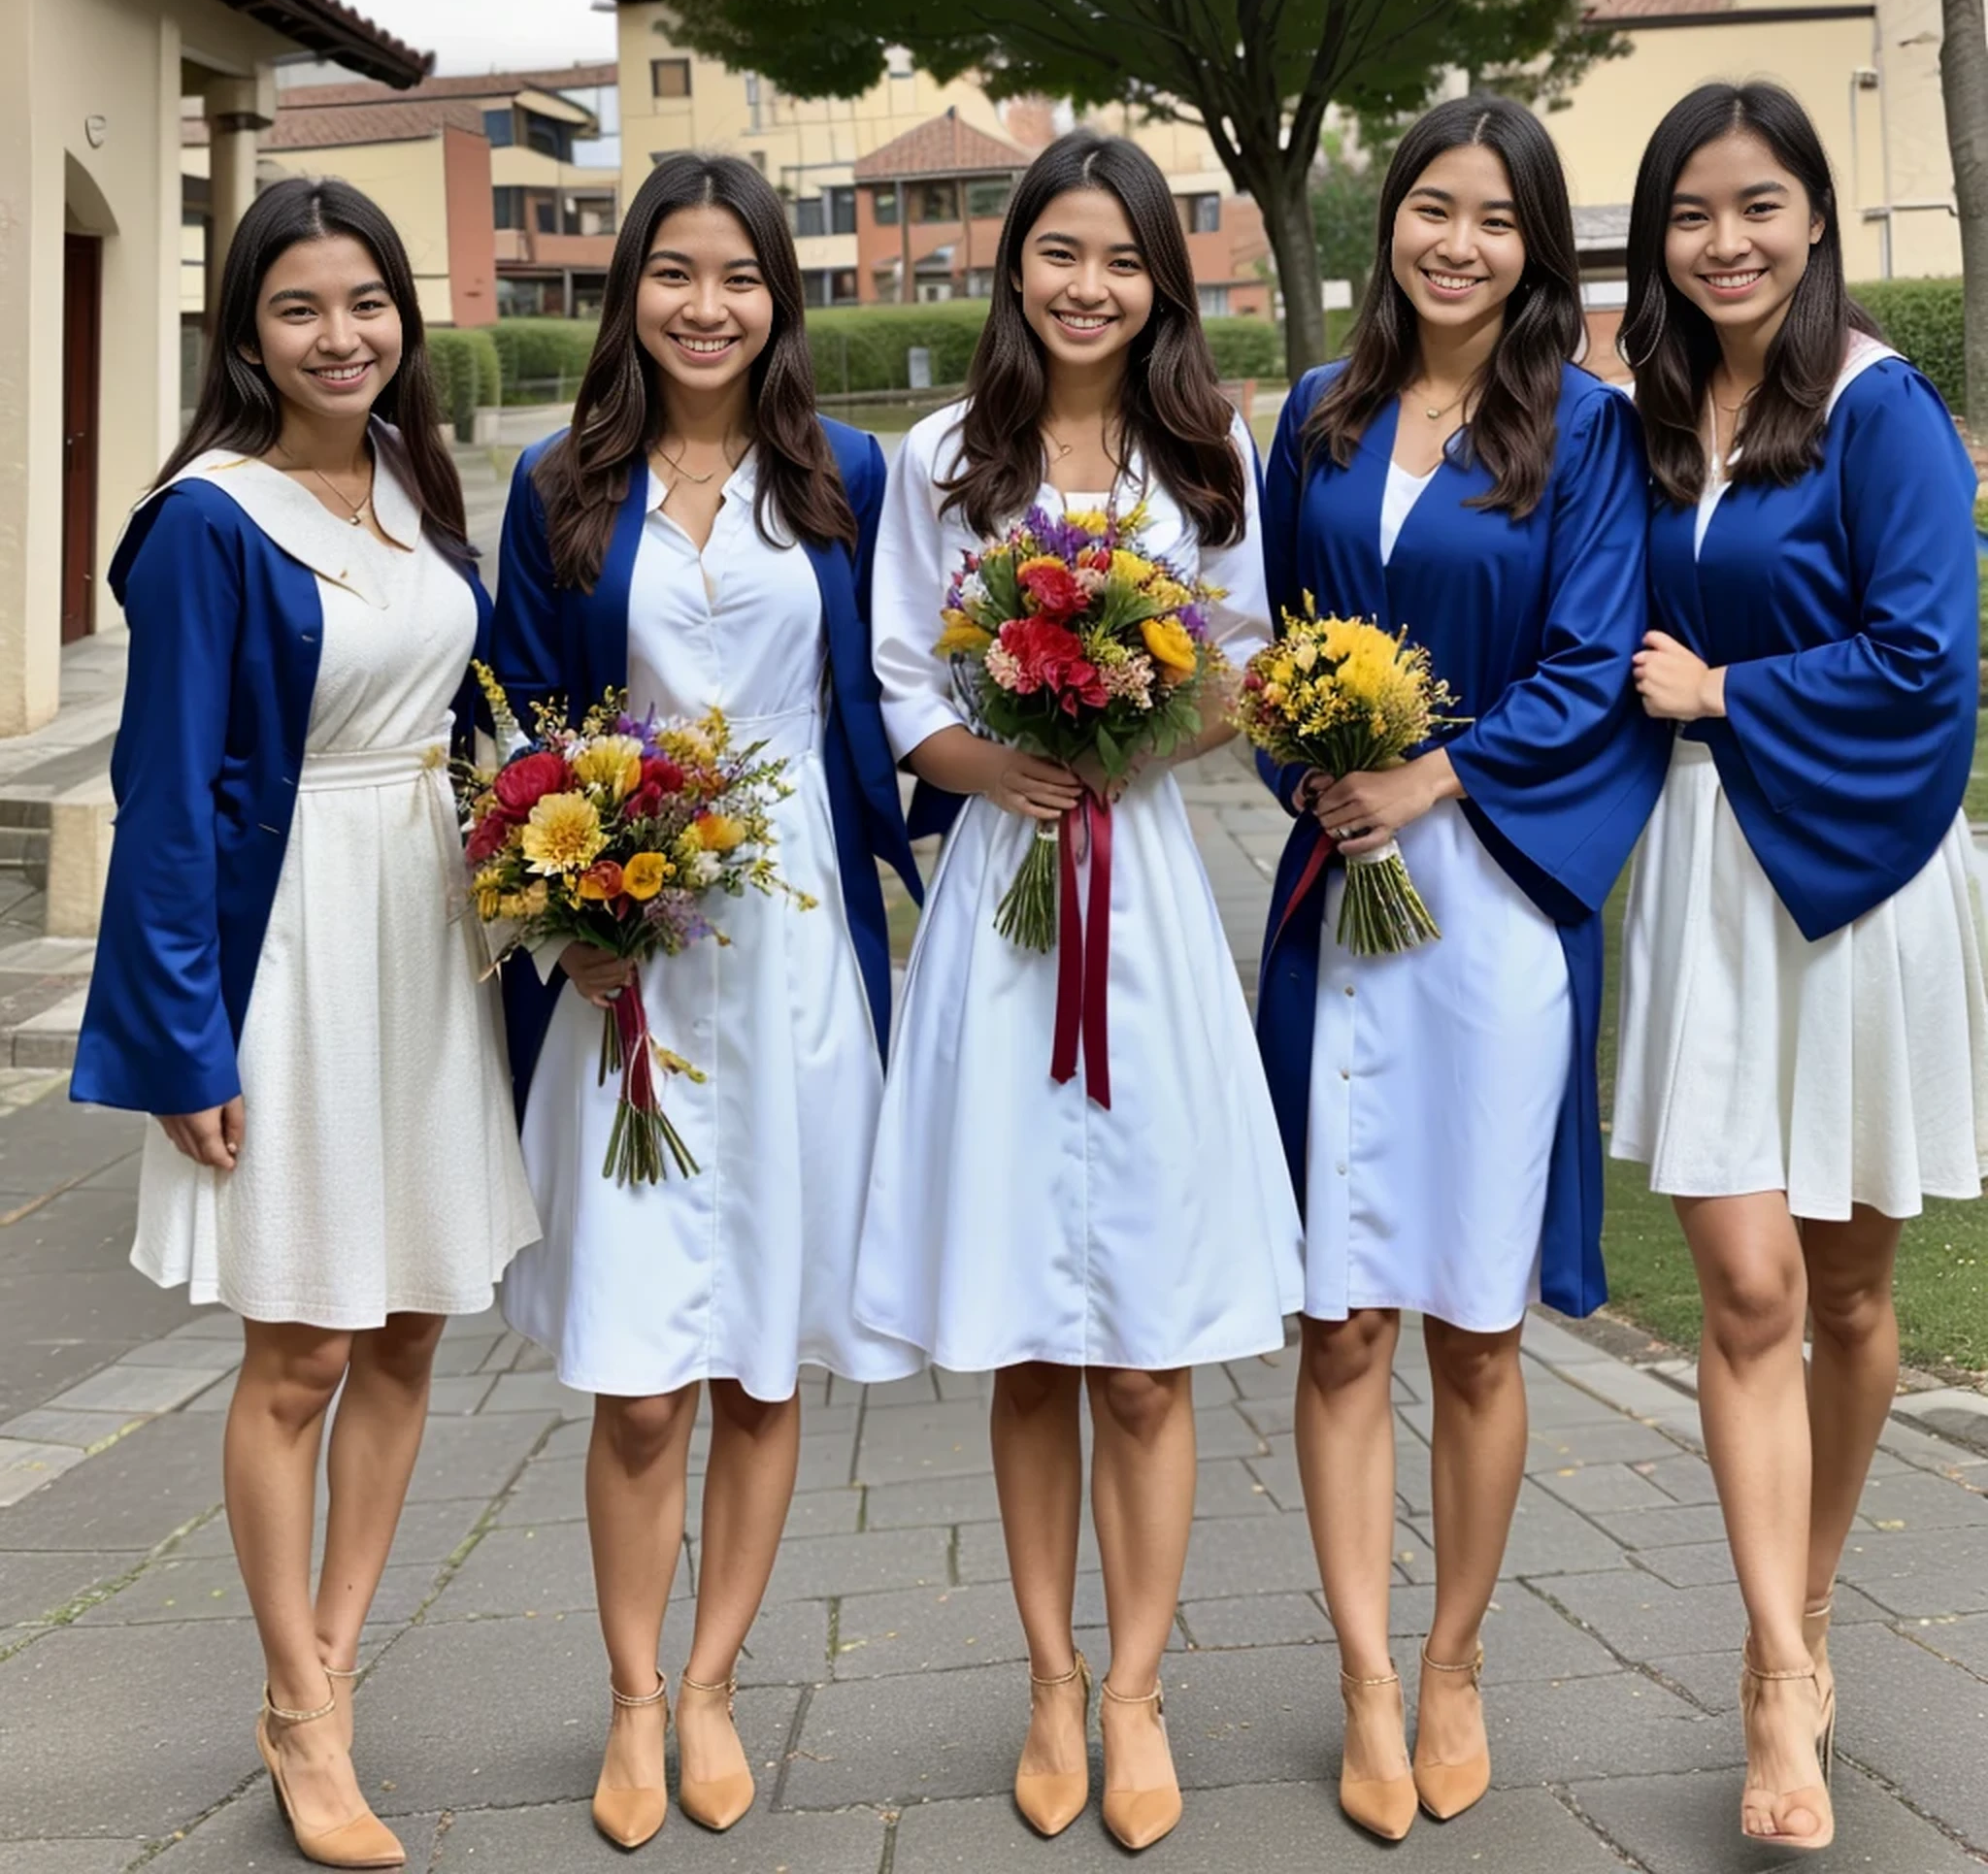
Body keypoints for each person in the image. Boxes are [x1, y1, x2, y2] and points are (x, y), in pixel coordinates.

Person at [70, 177, 540, 1870]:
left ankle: (333, 1656)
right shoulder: (208, 520)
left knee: (410, 1319)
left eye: (365, 304)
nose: (341, 338)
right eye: (299, 310)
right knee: (304, 1346)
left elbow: (466, 713)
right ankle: (296, 1710)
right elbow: (165, 797)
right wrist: (182, 1042)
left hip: (428, 929)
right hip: (293, 944)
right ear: (244, 332)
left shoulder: (414, 482)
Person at [857, 130, 1302, 1855]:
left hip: (1150, 908)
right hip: (1001, 899)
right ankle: (1049, 1677)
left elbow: (1243, 662)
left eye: (1120, 257)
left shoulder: (1209, 454)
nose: (1089, 285)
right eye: (1059, 251)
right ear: (1015, 266)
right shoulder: (942, 459)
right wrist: (1006, 754)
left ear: (1160, 278)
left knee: (1147, 1352)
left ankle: (1137, 1692)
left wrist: (1116, 719)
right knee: (1032, 1343)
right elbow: (902, 676)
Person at [492, 151, 925, 1852]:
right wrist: (560, 904)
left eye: (739, 277)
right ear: (630, 291)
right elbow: (521, 720)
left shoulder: (846, 478)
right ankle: (626, 1695)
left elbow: (894, 692)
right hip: (636, 937)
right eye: (675, 272)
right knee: (640, 1368)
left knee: (762, 1355)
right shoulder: (558, 486)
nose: (706, 305)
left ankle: (719, 1683)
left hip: (802, 934)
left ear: (779, 300)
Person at [1254, 94, 1666, 1842]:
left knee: (1475, 1331)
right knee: (1343, 1323)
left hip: (1491, 905)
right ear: (1391, 225)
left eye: (1498, 219)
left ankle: (1455, 1660)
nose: (1460, 243)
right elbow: (1269, 644)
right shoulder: (1321, 415)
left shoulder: (1586, 431)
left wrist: (1432, 769)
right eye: (1434, 208)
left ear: (1540, 243)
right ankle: (1360, 1675)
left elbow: (1592, 662)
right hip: (1336, 897)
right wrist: (1318, 762)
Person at [1611, 81, 1987, 1855]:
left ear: (1817, 217)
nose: (1727, 241)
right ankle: (1776, 1676)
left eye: (1758, 206)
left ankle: (1816, 1605)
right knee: (1748, 1290)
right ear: (1658, 239)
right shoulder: (1653, 416)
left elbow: (1930, 655)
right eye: (1693, 213)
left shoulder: (1880, 410)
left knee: (1847, 1298)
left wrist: (1731, 691)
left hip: (1856, 866)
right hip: (1702, 872)